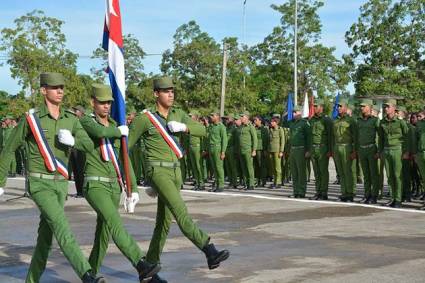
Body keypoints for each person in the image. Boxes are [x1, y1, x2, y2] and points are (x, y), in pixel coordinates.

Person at [0, 72, 105, 283]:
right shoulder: (32, 119)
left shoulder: (71, 119)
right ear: (43, 90)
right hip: (40, 184)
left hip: (60, 186)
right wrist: (0, 181)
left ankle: (31, 280)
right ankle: (87, 274)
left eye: (62, 87)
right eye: (54, 87)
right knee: (62, 227)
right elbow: (9, 149)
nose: (60, 91)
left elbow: (88, 145)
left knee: (45, 240)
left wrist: (73, 141)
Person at [128, 77, 229, 282]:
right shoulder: (145, 118)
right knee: (180, 211)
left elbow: (203, 130)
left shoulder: (179, 114)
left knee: (163, 223)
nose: (171, 94)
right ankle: (209, 249)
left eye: (172, 91)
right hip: (158, 172)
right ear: (156, 93)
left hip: (176, 172)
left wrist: (185, 128)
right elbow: (126, 147)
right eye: (166, 91)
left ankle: (149, 270)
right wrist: (130, 183)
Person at [80, 83, 160, 282]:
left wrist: (132, 188)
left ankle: (90, 274)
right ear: (93, 103)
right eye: (102, 102)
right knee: (115, 224)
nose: (106, 106)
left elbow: (124, 159)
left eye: (109, 102)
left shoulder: (115, 125)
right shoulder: (86, 122)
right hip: (95, 184)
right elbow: (100, 133)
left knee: (104, 234)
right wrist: (120, 131)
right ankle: (140, 263)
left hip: (113, 185)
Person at [378, 99, 410, 208]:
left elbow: (407, 136)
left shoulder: (401, 122)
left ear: (393, 108)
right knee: (390, 175)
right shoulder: (382, 122)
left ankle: (398, 199)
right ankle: (392, 198)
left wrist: (406, 151)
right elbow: (381, 138)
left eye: (387, 106)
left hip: (397, 149)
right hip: (386, 150)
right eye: (384, 107)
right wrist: (380, 151)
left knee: (397, 175)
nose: (385, 108)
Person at [283, 106, 312, 198]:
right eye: (293, 112)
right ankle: (295, 191)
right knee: (294, 172)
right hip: (293, 149)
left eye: (296, 112)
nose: (294, 114)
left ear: (300, 113)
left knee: (301, 172)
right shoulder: (292, 123)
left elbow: (309, 138)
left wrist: (308, 150)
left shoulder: (304, 123)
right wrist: (285, 115)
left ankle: (301, 192)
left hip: (301, 149)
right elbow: (283, 123)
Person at [356, 99, 380, 204]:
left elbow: (380, 136)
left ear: (369, 108)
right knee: (366, 174)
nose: (361, 108)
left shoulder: (375, 120)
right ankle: (367, 194)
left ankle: (374, 195)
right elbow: (357, 137)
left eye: (364, 106)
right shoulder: (359, 120)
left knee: (373, 174)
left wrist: (378, 150)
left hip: (371, 149)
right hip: (362, 149)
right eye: (361, 106)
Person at [333, 98, 357, 202]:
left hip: (347, 147)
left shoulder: (351, 120)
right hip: (337, 147)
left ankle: (350, 193)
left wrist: (355, 151)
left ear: (346, 108)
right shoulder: (335, 120)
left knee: (349, 171)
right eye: (337, 106)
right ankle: (344, 192)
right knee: (341, 172)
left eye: (340, 106)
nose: (338, 108)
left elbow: (356, 136)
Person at [309, 99, 332, 200]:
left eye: (316, 106)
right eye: (313, 106)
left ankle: (324, 192)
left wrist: (330, 150)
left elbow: (331, 136)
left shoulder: (326, 120)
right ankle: (318, 191)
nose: (314, 108)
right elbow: (310, 136)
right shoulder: (312, 120)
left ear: (321, 108)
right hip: (314, 148)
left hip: (322, 148)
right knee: (316, 172)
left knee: (323, 171)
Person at [207, 110, 227, 192]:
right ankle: (217, 184)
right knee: (214, 168)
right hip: (211, 148)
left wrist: (223, 152)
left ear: (217, 117)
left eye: (213, 116)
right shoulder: (211, 126)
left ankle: (221, 185)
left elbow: (224, 140)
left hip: (217, 148)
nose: (211, 117)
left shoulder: (221, 126)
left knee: (219, 168)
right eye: (211, 116)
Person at [238, 111, 258, 190]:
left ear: (247, 117)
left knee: (249, 167)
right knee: (244, 168)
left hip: (248, 150)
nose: (241, 118)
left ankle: (251, 184)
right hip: (241, 150)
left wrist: (254, 150)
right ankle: (246, 183)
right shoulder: (241, 127)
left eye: (242, 117)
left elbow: (255, 139)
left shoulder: (250, 126)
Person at [268, 115, 285, 189]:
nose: (271, 123)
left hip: (277, 151)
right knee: (273, 167)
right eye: (271, 122)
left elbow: (283, 141)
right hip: (271, 150)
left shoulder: (280, 129)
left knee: (277, 167)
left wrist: (281, 151)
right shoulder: (270, 130)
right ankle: (274, 182)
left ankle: (278, 182)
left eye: (272, 122)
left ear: (276, 122)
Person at [253, 115, 269, 187]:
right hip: (254, 149)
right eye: (254, 120)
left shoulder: (264, 129)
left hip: (261, 149)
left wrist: (265, 149)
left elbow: (266, 140)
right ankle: (257, 180)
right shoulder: (254, 128)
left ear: (260, 121)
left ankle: (263, 181)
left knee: (261, 165)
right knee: (255, 166)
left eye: (256, 120)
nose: (254, 121)